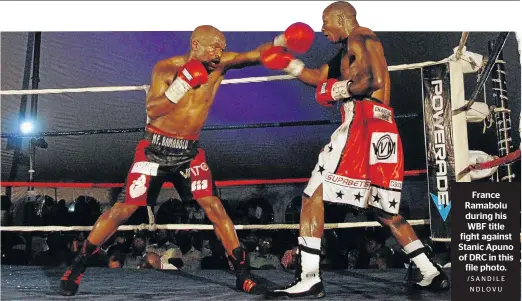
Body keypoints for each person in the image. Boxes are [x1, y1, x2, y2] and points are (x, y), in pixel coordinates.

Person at [59, 24, 315, 296]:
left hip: (189, 152)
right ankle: (76, 267)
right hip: (155, 148)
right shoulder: (166, 68)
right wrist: (182, 84)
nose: (220, 51)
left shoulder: (221, 64)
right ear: (195, 45)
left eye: (222, 46)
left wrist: (282, 40)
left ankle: (243, 275)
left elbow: (254, 54)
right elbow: (153, 108)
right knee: (124, 209)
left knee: (215, 208)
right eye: (214, 46)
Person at [260, 1, 449, 298]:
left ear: (341, 18)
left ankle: (309, 277)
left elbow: (369, 81)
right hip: (382, 128)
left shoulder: (361, 36)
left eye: (325, 22)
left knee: (312, 195)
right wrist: (286, 62)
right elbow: (318, 77)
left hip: (361, 124)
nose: (322, 30)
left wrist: (335, 90)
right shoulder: (348, 51)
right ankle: (430, 271)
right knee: (384, 209)